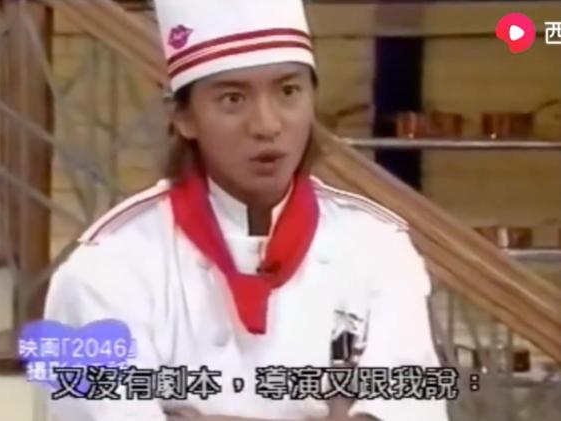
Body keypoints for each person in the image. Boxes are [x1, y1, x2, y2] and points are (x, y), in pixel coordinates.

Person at [44, 0, 449, 420]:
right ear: (183, 117)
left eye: (288, 92)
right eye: (233, 99)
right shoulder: (106, 269)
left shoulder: (378, 248)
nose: (267, 125)